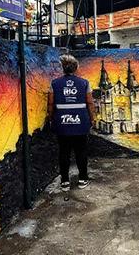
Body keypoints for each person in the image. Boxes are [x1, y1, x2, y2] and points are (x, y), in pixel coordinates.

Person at [48, 54, 96, 191]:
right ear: (76, 68)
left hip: (61, 124)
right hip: (81, 122)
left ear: (63, 68)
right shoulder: (84, 83)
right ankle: (83, 179)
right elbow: (90, 103)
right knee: (81, 152)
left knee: (64, 152)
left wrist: (52, 118)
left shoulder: (55, 83)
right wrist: (92, 118)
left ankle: (64, 182)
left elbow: (50, 104)